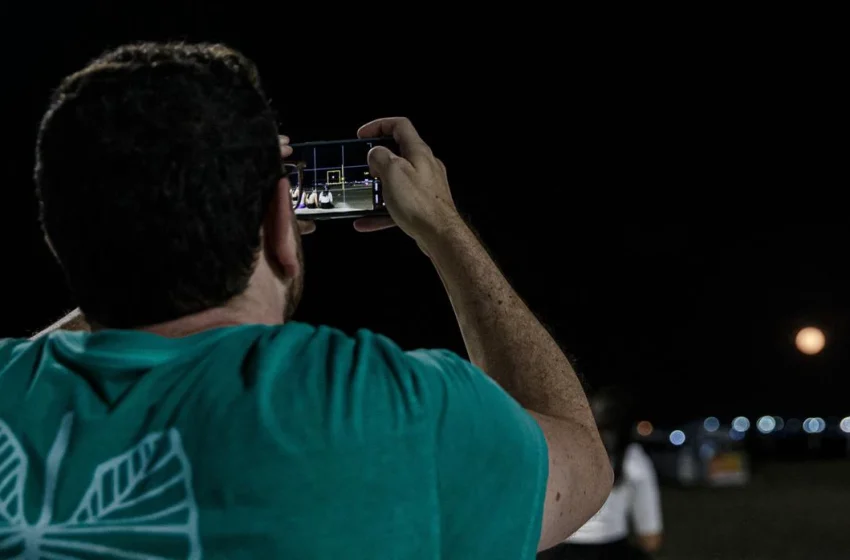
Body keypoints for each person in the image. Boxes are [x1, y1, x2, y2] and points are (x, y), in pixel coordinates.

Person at [0, 42, 612, 558]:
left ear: (61, 238)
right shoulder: (387, 407)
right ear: (277, 226)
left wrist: (134, 247)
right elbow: (582, 459)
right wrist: (443, 228)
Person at [538, 388, 664, 560]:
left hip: (553, 551)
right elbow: (651, 539)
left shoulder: (553, 452)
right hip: (611, 550)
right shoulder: (634, 459)